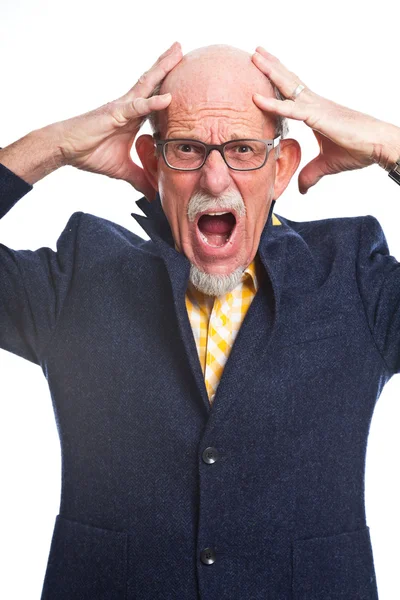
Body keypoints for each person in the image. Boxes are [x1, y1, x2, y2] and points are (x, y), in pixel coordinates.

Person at [1, 41, 399, 599]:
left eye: (242, 149)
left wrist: (390, 145)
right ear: (152, 162)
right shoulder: (81, 272)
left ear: (281, 167)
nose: (215, 180)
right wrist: (55, 146)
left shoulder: (354, 275)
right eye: (187, 149)